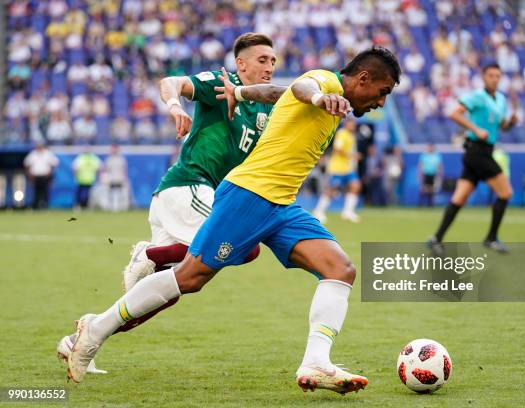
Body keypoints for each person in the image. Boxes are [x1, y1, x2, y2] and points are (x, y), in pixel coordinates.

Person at [65, 47, 401, 395]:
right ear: (364, 78)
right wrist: (319, 97)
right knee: (190, 277)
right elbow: (303, 88)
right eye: (383, 92)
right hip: (249, 195)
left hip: (282, 206)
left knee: (340, 270)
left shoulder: (332, 98)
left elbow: (278, 93)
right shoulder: (324, 82)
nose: (381, 103)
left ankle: (316, 362)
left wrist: (239, 92)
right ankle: (95, 330)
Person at [57, 33, 282, 373]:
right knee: (246, 246)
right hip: (189, 186)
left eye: (273, 61)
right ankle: (148, 254)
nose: (269, 67)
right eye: (262, 60)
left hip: (194, 198)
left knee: (168, 292)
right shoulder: (221, 83)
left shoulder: (264, 104)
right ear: (241, 63)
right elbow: (170, 82)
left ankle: (83, 337)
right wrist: (176, 106)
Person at [428, 63, 517, 255]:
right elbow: (453, 113)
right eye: (491, 75)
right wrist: (475, 129)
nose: (495, 79)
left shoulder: (501, 99)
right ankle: (491, 238)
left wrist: (510, 123)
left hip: (484, 151)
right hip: (477, 151)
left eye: (498, 76)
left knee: (459, 198)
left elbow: (502, 126)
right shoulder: (478, 96)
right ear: (484, 77)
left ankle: (436, 238)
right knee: (506, 193)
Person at [312, 117, 361, 223]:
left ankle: (347, 211)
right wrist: (352, 155)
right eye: (352, 124)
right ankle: (318, 211)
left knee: (355, 186)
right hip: (337, 168)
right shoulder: (342, 133)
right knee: (332, 189)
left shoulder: (351, 135)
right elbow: (337, 150)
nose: (353, 126)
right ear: (346, 124)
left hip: (348, 168)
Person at [23, 142, 59, 209]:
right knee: (36, 191)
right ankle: (36, 206)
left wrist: (50, 172)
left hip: (45, 175)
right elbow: (27, 164)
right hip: (35, 176)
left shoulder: (48, 154)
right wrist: (29, 174)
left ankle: (45, 205)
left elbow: (54, 163)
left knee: (45, 191)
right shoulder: (33, 154)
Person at [104, 144, 129, 212]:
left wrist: (125, 178)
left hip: (120, 178)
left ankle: (121, 207)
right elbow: (106, 169)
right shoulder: (109, 159)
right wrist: (106, 178)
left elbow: (124, 169)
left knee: (121, 193)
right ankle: (111, 207)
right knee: (111, 193)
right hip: (111, 179)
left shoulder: (121, 159)